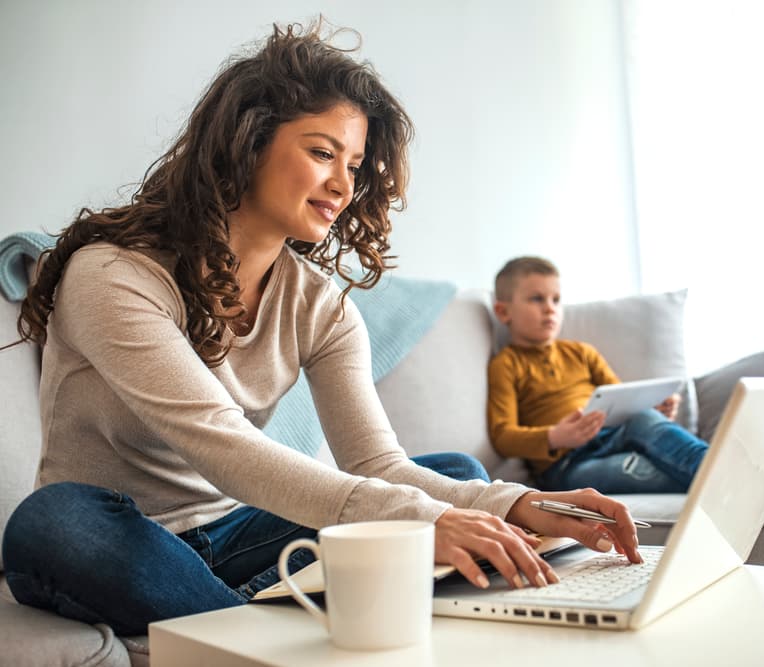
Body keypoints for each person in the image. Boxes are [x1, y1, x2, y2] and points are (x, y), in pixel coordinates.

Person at [0, 22, 642, 637]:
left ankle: (251, 616)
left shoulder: (319, 306)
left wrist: (512, 503)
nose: (343, 184)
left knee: (453, 471)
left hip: (236, 535)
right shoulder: (113, 275)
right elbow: (222, 446)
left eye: (356, 165)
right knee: (53, 524)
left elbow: (377, 463)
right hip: (119, 533)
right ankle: (264, 626)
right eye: (321, 152)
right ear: (247, 144)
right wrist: (428, 521)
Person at [488, 256, 764, 493]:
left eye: (556, 300)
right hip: (565, 467)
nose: (550, 308)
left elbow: (621, 402)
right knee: (642, 470)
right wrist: (554, 438)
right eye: (536, 299)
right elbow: (502, 435)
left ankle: (736, 468)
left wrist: (651, 408)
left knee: (644, 418)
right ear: (503, 311)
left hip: (614, 435)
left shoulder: (580, 352)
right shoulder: (506, 364)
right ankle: (754, 474)